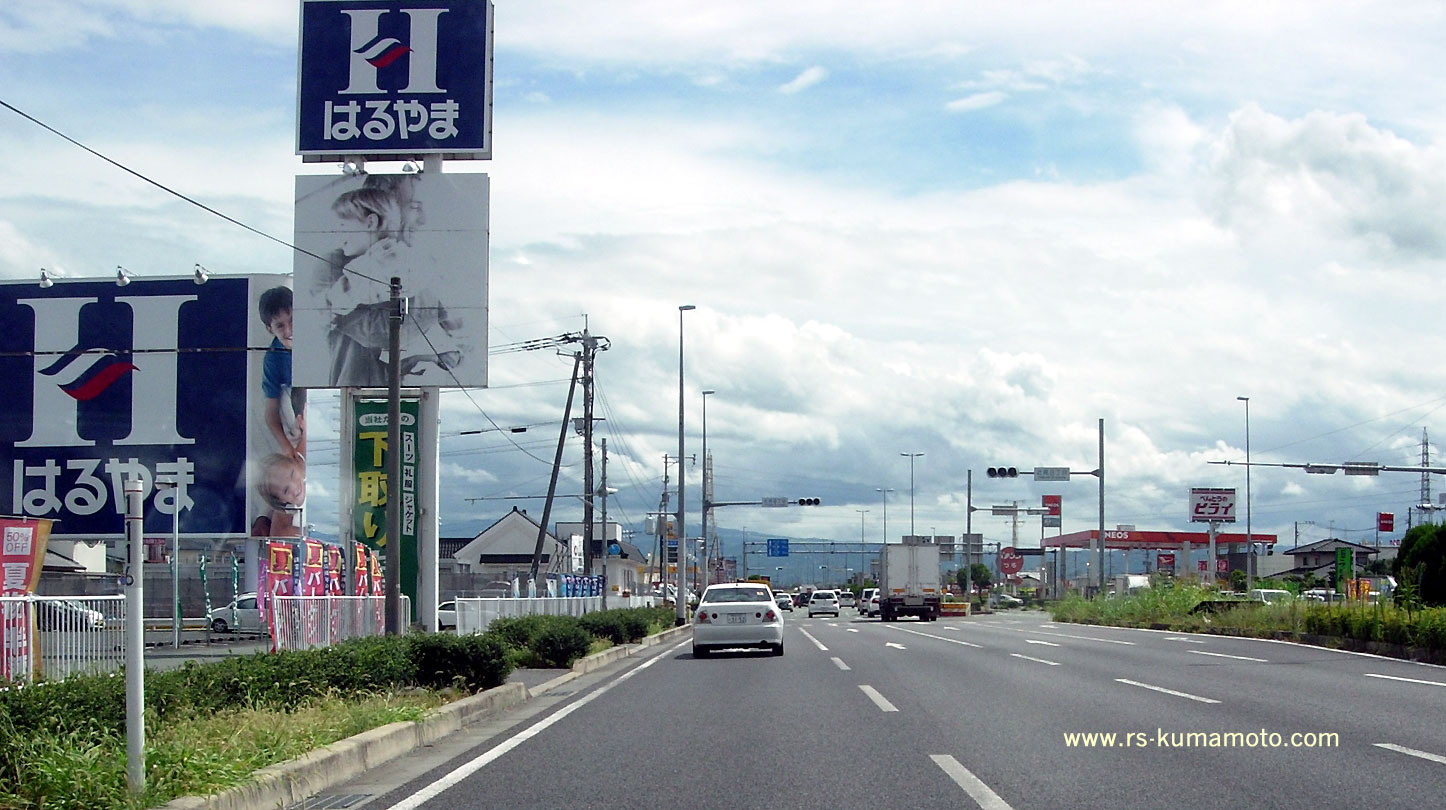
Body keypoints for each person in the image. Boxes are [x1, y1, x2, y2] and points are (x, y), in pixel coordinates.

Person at [321, 183, 463, 386]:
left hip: (403, 352)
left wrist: (330, 308)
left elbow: (339, 301)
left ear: (371, 222)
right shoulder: (409, 255)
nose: (338, 237)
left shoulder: (366, 267)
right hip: (435, 347)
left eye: (342, 227)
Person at [258, 286, 306, 461]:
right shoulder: (273, 358)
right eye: (280, 325)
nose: (289, 331)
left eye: (293, 320)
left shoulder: (317, 342)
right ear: (270, 329)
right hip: (298, 425)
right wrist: (287, 448)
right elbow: (271, 412)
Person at [256, 453, 305, 538]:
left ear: (296, 465)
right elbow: (279, 534)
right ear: (281, 500)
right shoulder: (288, 510)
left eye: (292, 474)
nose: (294, 486)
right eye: (286, 490)